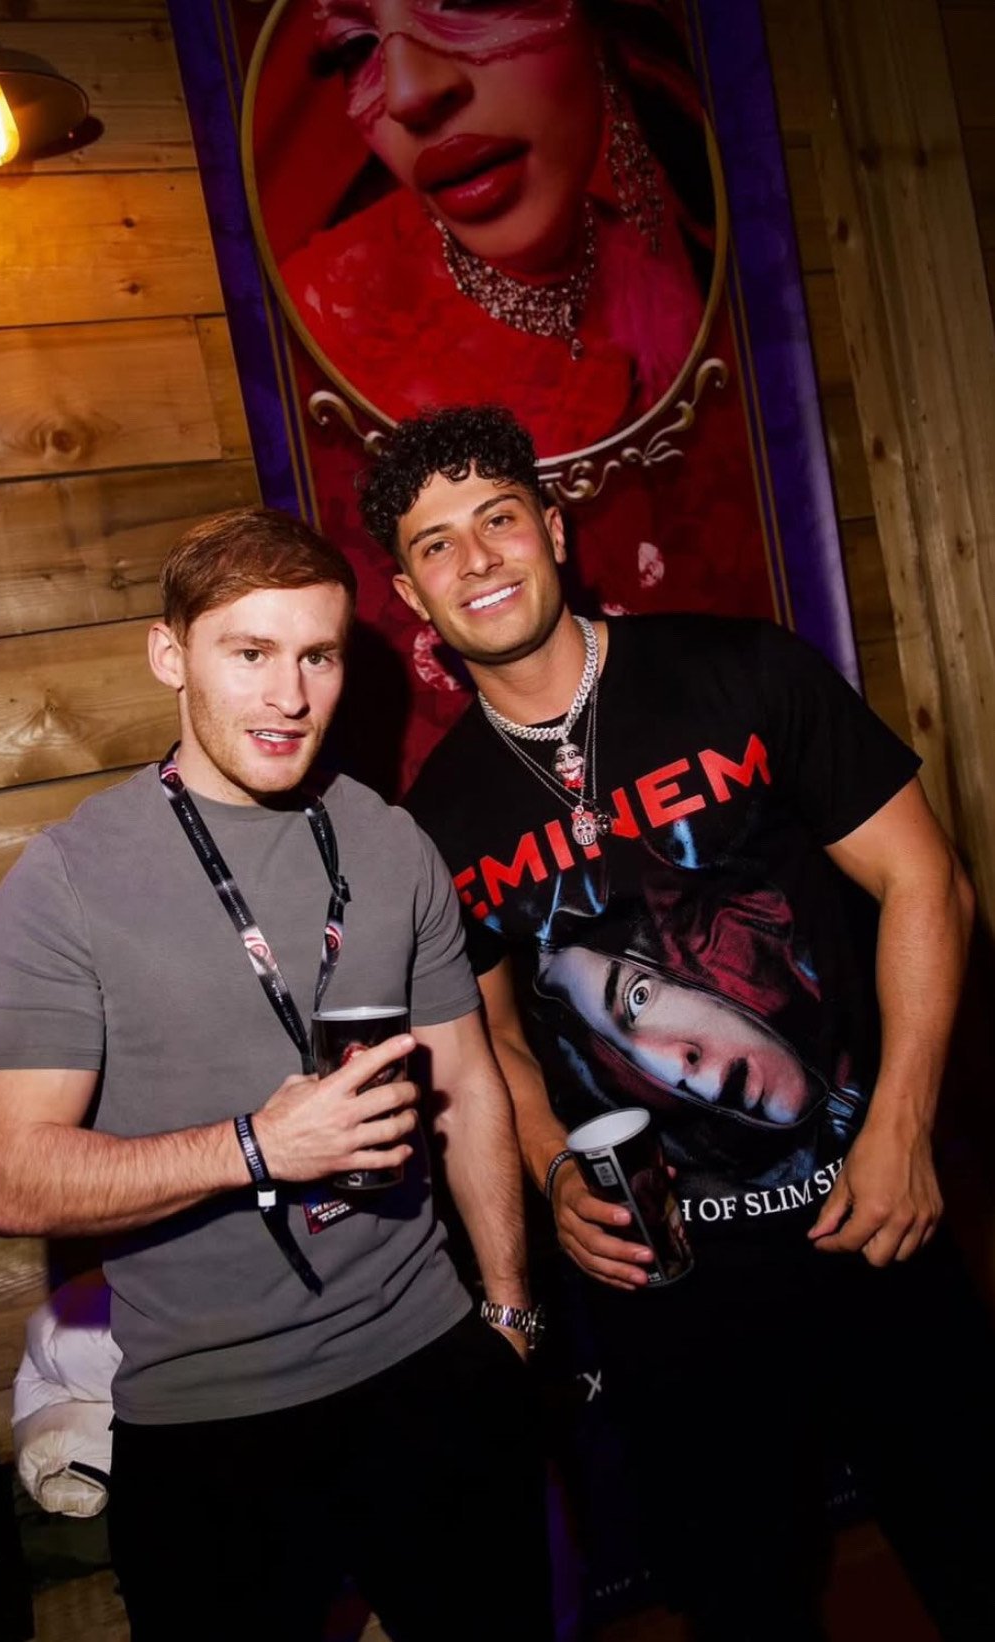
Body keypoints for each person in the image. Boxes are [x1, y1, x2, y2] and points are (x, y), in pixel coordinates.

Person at [359, 404, 995, 1640]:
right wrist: (550, 1170)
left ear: (553, 526)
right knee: (741, 1603)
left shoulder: (741, 671)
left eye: (498, 519)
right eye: (438, 544)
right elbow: (489, 1039)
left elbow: (931, 881)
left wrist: (905, 1123)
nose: (478, 558)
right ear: (408, 592)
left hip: (871, 1217)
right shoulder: (436, 823)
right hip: (675, 1289)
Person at [0, 507, 552, 1642]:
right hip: (210, 1415)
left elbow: (472, 1082)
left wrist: (512, 1313)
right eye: (250, 653)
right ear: (170, 655)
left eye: (317, 655)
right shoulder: (68, 880)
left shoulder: (387, 841)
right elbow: (16, 1178)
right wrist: (257, 1147)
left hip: (431, 1364)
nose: (290, 695)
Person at [266, 0, 709, 450]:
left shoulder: (694, 263)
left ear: (598, 26)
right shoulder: (309, 337)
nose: (407, 95)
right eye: (355, 48)